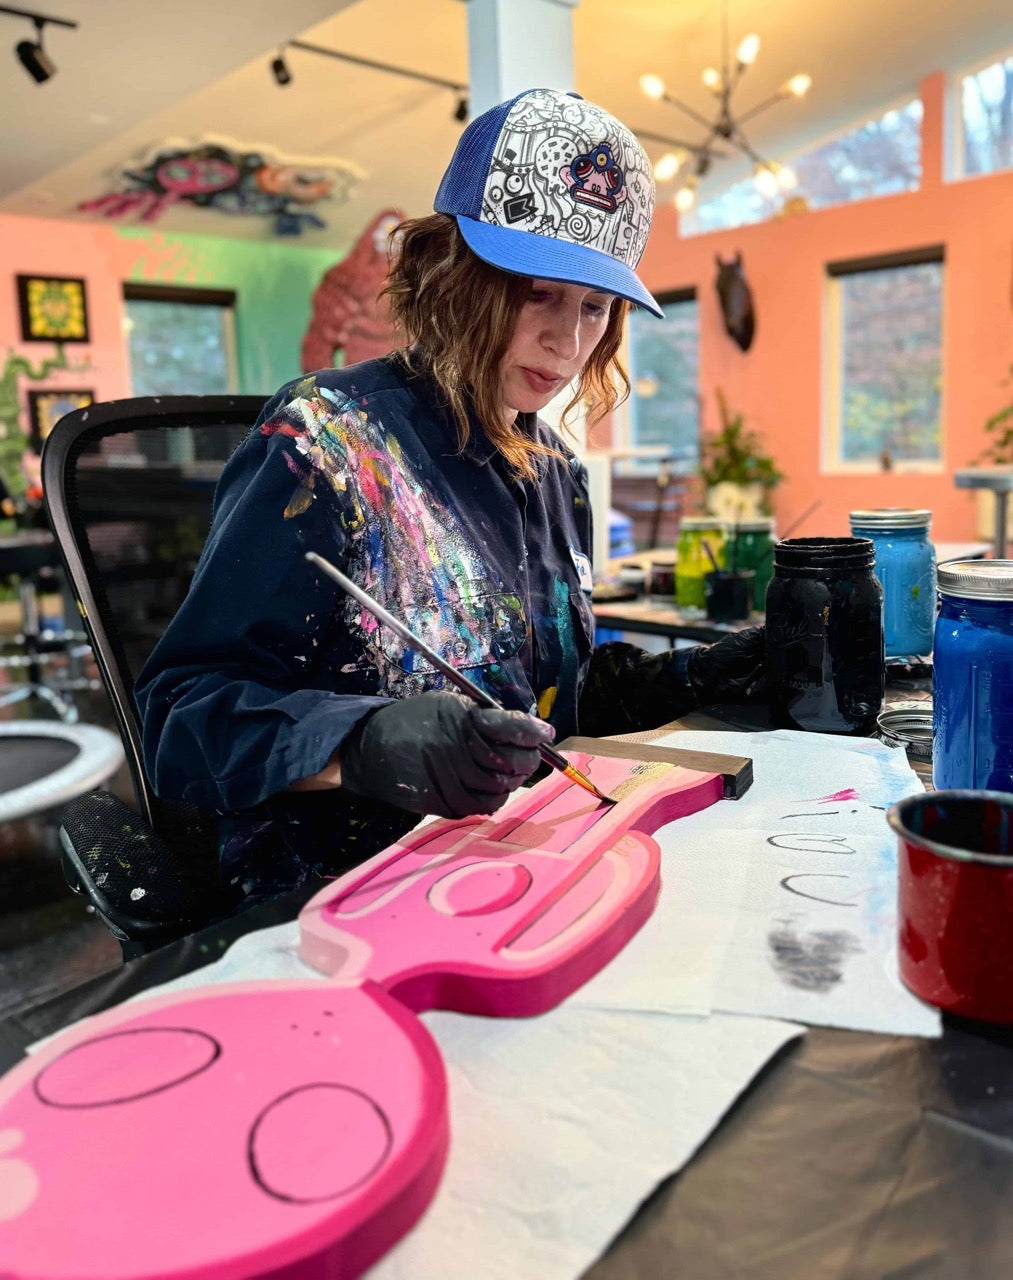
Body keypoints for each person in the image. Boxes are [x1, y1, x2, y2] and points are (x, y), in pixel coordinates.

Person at [136, 87, 766, 902]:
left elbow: (550, 704)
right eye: (535, 292)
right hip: (334, 898)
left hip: (516, 869)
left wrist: (706, 675)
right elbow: (182, 721)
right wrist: (359, 742)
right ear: (447, 270)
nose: (566, 342)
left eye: (595, 307)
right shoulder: (327, 444)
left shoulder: (551, 471)